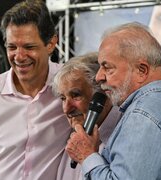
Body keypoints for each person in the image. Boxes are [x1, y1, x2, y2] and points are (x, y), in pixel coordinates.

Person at [0, 1, 71, 179]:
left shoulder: (71, 88)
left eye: (29, 47)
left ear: (51, 43)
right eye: (12, 47)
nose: (19, 57)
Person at [66, 22, 161, 179]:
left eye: (107, 67)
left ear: (141, 70)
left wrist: (87, 155)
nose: (98, 77)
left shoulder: (142, 116)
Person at [52, 52, 121, 180]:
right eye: (63, 98)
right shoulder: (74, 141)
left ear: (103, 95)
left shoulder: (127, 135)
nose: (67, 109)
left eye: (76, 95)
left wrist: (88, 157)